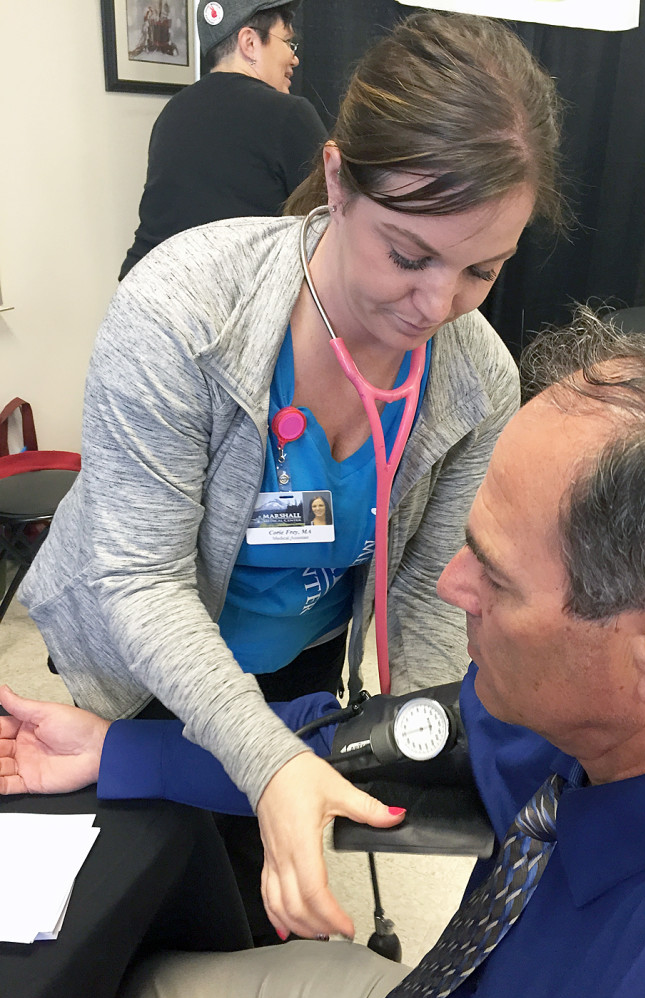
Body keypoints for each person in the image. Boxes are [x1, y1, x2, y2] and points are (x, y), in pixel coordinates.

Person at [6, 311, 645, 998]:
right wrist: (117, 750)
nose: (449, 584)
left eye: (496, 578)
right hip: (442, 995)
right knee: (124, 990)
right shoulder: (572, 712)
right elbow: (366, 744)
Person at [17, 12, 564, 944]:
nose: (437, 306)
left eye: (483, 268)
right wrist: (269, 764)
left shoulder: (477, 378)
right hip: (142, 648)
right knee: (145, 885)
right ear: (340, 179)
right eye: (408, 253)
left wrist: (400, 740)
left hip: (300, 657)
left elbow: (429, 598)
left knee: (253, 900)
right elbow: (141, 581)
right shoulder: (183, 312)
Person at [118, 0, 327, 280]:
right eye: (288, 42)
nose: (294, 58)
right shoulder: (289, 114)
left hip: (141, 292)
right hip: (221, 310)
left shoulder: (172, 112)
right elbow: (330, 228)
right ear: (250, 43)